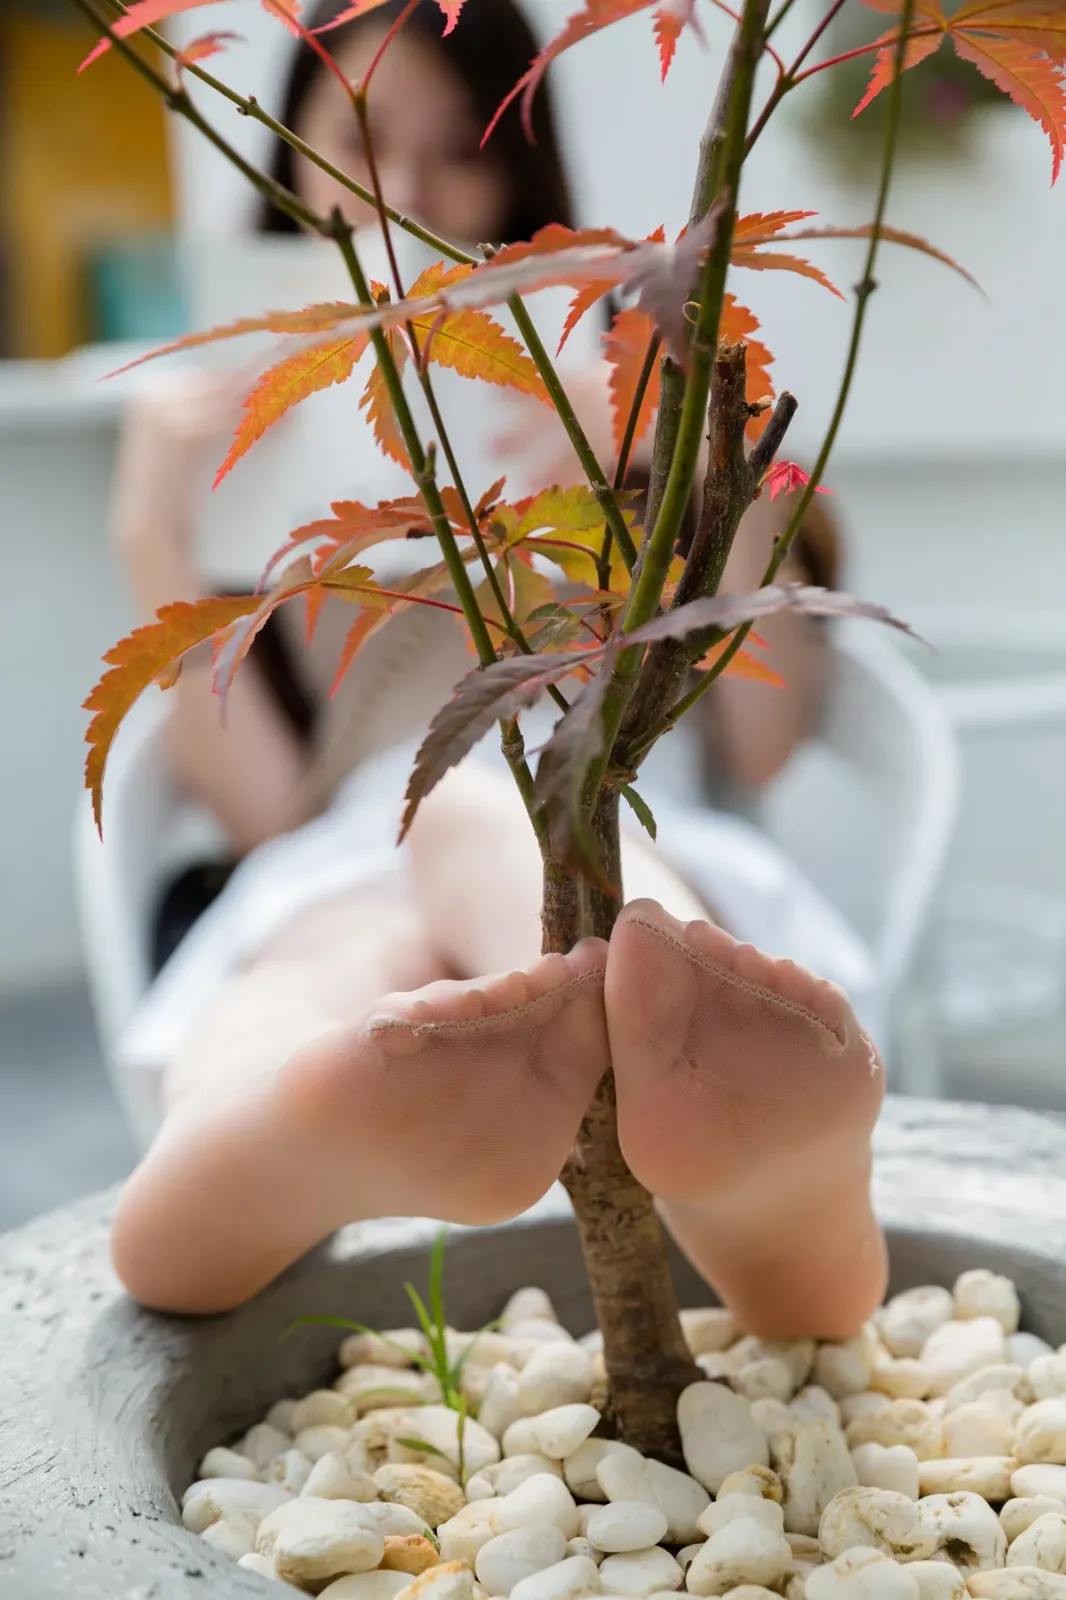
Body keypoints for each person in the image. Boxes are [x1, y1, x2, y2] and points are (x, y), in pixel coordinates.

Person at [108, 0, 888, 1338]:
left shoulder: (623, 372)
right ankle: (250, 1142)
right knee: (330, 958)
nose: (401, 195)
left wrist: (712, 457)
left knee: (489, 805)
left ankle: (683, 1032)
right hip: (353, 852)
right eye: (354, 145)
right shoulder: (260, 450)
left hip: (647, 839)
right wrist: (154, 543)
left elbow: (758, 748)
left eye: (451, 150)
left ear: (516, 166)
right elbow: (265, 816)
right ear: (283, 157)